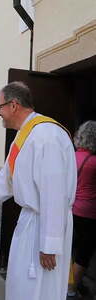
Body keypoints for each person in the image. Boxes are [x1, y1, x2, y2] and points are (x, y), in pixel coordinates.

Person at [0, 81, 77, 300]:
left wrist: (49, 245)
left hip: (44, 227)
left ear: (13, 105)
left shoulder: (47, 136)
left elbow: (54, 194)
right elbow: (6, 178)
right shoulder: (25, 134)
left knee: (40, 289)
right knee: (21, 286)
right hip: (31, 225)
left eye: (0, 107)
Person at [68, 120, 96, 297]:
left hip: (71, 210)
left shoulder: (70, 157)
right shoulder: (94, 162)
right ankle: (71, 290)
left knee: (69, 250)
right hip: (88, 213)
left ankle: (63, 284)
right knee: (83, 254)